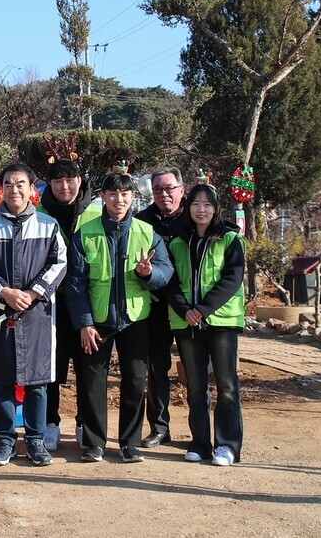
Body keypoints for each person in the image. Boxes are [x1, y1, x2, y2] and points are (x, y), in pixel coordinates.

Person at [63, 171, 172, 463]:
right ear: (103, 197)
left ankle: (130, 443)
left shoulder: (146, 233)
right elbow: (75, 285)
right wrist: (84, 323)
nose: (119, 199)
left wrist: (149, 274)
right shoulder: (85, 234)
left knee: (136, 381)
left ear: (133, 198)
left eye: (125, 194)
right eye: (113, 194)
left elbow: (166, 272)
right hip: (97, 321)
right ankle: (94, 443)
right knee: (91, 381)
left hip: (135, 318)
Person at [0, 163, 68, 468]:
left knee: (37, 382)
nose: (15, 190)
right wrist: (4, 292)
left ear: (31, 189)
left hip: (37, 312)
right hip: (1, 311)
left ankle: (37, 442)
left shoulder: (48, 226)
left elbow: (59, 263)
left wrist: (34, 292)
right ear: (1, 189)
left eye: (21, 184)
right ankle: (4, 441)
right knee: (2, 379)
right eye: (9, 184)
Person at [166, 183, 246, 467]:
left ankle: (228, 445)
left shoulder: (229, 239)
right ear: (188, 208)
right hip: (187, 323)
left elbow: (232, 279)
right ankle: (200, 442)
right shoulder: (177, 242)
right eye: (196, 204)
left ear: (216, 208)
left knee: (226, 384)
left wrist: (202, 309)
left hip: (221, 321)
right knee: (196, 386)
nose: (201, 210)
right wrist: (185, 309)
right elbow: (170, 281)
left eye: (207, 205)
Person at [36, 159, 98, 451]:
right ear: (49, 183)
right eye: (57, 181)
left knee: (88, 368)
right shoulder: (39, 214)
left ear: (80, 180)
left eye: (70, 179)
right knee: (52, 367)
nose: (64, 186)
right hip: (52, 304)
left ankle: (85, 423)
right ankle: (51, 424)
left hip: (89, 304)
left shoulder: (96, 211)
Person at [133, 167, 185, 448]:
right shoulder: (143, 222)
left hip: (190, 307)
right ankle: (159, 427)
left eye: (169, 188)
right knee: (156, 368)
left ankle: (201, 431)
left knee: (195, 370)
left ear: (181, 189)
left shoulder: (196, 217)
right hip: (154, 306)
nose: (164, 194)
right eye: (158, 190)